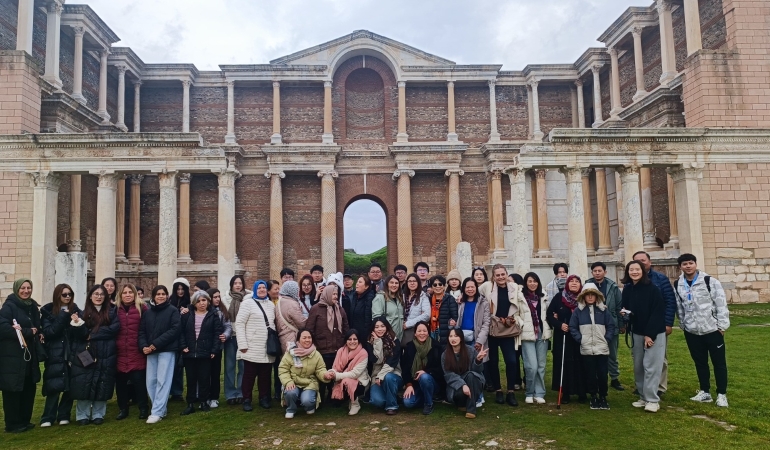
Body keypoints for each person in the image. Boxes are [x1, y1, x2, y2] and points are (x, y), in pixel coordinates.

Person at [674, 253, 730, 408]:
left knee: (719, 363)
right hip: (692, 331)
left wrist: (722, 326)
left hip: (712, 330)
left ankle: (721, 394)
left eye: (691, 263)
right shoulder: (678, 284)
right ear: (681, 267)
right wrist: (683, 324)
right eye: (685, 264)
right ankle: (705, 391)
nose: (688, 266)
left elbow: (720, 303)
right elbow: (680, 306)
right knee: (700, 363)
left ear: (695, 264)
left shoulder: (709, 281)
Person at [69, 284, 120, 425]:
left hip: (106, 351)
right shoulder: (83, 313)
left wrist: (92, 335)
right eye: (96, 294)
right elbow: (81, 336)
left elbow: (114, 329)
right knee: (85, 382)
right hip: (87, 352)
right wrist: (77, 324)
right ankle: (82, 415)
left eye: (101, 294)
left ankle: (98, 414)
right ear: (90, 296)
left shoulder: (112, 312)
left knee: (102, 382)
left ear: (106, 297)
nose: (99, 297)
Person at [621, 260, 666, 413]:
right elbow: (626, 308)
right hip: (636, 332)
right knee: (638, 366)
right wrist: (624, 314)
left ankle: (653, 400)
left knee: (651, 366)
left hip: (653, 333)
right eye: (631, 270)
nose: (634, 272)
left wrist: (650, 335)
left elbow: (657, 313)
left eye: (637, 269)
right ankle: (643, 396)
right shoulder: (627, 289)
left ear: (643, 271)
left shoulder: (653, 289)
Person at [630, 251, 676, 396]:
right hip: (638, 327)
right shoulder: (630, 282)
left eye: (643, 260)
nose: (641, 264)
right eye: (637, 261)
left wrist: (668, 323)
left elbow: (669, 301)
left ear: (649, 262)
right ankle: (643, 387)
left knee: (659, 358)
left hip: (657, 325)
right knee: (639, 358)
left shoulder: (660, 279)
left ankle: (659, 387)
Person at [0, 279, 42, 433]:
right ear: (17, 289)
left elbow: (37, 327)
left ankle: (24, 420)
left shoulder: (32, 307)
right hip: (13, 356)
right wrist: (26, 331)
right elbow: (3, 328)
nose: (26, 291)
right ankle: (12, 423)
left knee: (27, 387)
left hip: (28, 355)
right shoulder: (9, 307)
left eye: (29, 288)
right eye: (23, 288)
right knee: (13, 390)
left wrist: (39, 332)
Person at [139, 285, 181, 424]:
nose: (161, 296)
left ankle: (156, 411)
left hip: (166, 350)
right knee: (151, 381)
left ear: (167, 296)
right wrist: (144, 346)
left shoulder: (173, 311)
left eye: (163, 294)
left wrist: (155, 344)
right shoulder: (148, 313)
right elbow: (142, 331)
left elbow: (174, 330)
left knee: (163, 380)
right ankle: (160, 409)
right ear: (153, 296)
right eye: (158, 294)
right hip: (151, 351)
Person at [569, 283, 615, 410]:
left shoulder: (603, 311)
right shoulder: (578, 311)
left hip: (602, 348)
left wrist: (607, 339)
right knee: (590, 374)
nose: (590, 297)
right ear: (583, 297)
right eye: (587, 295)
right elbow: (573, 327)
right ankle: (593, 395)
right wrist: (581, 339)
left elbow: (611, 326)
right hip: (587, 348)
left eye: (592, 295)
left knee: (602, 374)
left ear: (596, 297)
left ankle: (603, 396)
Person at [39, 284, 79, 427]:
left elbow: (80, 331)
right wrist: (64, 315)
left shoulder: (76, 310)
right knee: (54, 384)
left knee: (70, 384)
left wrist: (77, 322)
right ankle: (47, 417)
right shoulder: (48, 311)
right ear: (58, 295)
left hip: (71, 351)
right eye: (64, 294)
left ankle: (64, 414)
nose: (67, 297)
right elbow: (50, 332)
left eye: (69, 294)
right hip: (55, 351)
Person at [180, 290, 223, 415]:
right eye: (198, 301)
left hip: (206, 351)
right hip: (190, 351)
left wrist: (214, 349)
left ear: (208, 301)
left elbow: (217, 333)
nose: (201, 303)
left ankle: (204, 402)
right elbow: (181, 331)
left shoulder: (213, 315)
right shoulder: (187, 314)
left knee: (204, 378)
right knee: (191, 378)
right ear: (194, 303)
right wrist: (183, 346)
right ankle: (191, 403)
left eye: (204, 300)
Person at [236, 280, 276, 411]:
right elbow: (240, 323)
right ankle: (246, 399)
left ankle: (263, 398)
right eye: (259, 288)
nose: (262, 290)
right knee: (249, 375)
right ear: (255, 289)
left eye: (264, 287)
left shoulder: (271, 305)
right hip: (252, 346)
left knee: (265, 375)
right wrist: (242, 344)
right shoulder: (247, 303)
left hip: (266, 346)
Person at [487, 264, 524, 406]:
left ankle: (510, 391)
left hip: (508, 328)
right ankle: (498, 390)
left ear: (506, 274)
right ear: (494, 277)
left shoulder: (514, 288)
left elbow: (521, 304)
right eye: (498, 275)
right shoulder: (488, 287)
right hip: (493, 329)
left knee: (511, 361)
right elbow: (474, 293)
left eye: (503, 274)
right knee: (493, 361)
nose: (501, 277)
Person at [306, 284, 349, 405]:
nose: (335, 296)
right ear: (327, 294)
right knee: (321, 375)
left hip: (337, 348)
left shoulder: (340, 309)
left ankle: (334, 397)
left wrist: (344, 343)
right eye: (333, 294)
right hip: (321, 349)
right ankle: (318, 399)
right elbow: (310, 328)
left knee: (334, 374)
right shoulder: (316, 308)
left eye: (337, 294)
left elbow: (345, 327)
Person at [546, 274, 585, 404]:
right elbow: (550, 314)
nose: (574, 283)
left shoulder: (585, 298)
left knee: (581, 362)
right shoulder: (559, 298)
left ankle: (581, 391)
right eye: (571, 281)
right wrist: (559, 324)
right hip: (563, 335)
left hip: (580, 336)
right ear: (567, 284)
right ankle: (565, 392)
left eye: (577, 281)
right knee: (564, 363)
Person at [587, 261, 624, 391]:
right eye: (595, 271)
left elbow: (619, 306)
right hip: (592, 324)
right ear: (592, 272)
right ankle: (596, 378)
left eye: (600, 271)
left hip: (610, 324)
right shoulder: (587, 285)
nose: (597, 273)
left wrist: (621, 324)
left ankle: (614, 378)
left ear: (605, 272)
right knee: (594, 353)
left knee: (612, 353)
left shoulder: (612, 286)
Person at [115, 284, 149, 421]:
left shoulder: (142, 308)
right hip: (120, 351)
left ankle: (143, 408)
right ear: (120, 295)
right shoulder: (115, 309)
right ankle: (123, 409)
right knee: (121, 384)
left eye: (130, 292)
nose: (127, 295)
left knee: (139, 383)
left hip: (137, 350)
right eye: (124, 293)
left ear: (135, 294)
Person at [278, 329, 330, 418]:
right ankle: (291, 409)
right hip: (293, 382)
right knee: (290, 392)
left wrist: (325, 375)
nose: (307, 340)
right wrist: (288, 382)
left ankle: (309, 407)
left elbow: (320, 369)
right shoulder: (291, 353)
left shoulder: (316, 354)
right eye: (304, 338)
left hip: (309, 383)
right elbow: (283, 369)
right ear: (298, 340)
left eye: (309, 337)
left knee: (307, 400)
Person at [442, 328, 488, 419]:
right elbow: (448, 375)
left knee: (471, 375)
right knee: (466, 383)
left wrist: (478, 361)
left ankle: (471, 410)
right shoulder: (445, 355)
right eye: (450, 336)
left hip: (473, 382)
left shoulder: (470, 350)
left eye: (456, 336)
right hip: (456, 388)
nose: (453, 339)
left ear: (461, 338)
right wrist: (462, 385)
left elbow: (477, 371)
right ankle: (463, 404)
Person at [520, 272, 550, 405]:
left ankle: (539, 393)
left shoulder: (543, 296)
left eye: (535, 281)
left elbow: (547, 313)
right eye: (530, 281)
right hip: (527, 333)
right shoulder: (520, 297)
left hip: (542, 334)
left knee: (541, 366)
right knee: (531, 366)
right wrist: (521, 324)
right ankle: (529, 392)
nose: (532, 284)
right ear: (526, 283)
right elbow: (516, 314)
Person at [401, 322, 442, 415]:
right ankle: (426, 397)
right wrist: (408, 385)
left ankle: (429, 404)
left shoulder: (436, 346)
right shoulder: (409, 347)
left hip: (432, 382)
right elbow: (405, 369)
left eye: (424, 331)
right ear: (415, 333)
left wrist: (426, 372)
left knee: (424, 377)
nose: (422, 333)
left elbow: (441, 369)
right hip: (415, 383)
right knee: (408, 403)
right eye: (419, 331)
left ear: (428, 332)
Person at [327, 329, 370, 415]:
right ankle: (348, 398)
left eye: (355, 339)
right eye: (349, 339)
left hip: (359, 382)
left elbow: (355, 374)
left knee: (347, 381)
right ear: (346, 341)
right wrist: (331, 372)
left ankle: (355, 404)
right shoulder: (340, 351)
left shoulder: (363, 353)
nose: (352, 341)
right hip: (341, 380)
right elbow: (335, 367)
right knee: (336, 400)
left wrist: (337, 375)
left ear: (359, 340)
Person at [222, 275, 249, 405]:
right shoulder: (225, 299)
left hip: (244, 336)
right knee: (230, 366)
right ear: (231, 285)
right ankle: (230, 394)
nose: (238, 285)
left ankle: (241, 392)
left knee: (243, 366)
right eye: (235, 283)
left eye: (240, 283)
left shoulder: (249, 299)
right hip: (231, 336)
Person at [368, 317, 403, 415]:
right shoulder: (370, 342)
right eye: (377, 327)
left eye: (382, 326)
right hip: (376, 377)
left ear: (387, 327)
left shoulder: (395, 341)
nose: (380, 329)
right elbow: (377, 360)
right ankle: (393, 397)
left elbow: (392, 362)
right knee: (377, 402)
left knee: (388, 377)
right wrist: (378, 342)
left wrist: (381, 375)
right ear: (373, 329)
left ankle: (392, 406)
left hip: (393, 374)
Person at [206, 288, 232, 408]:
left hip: (217, 346)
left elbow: (227, 326)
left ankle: (214, 397)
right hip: (204, 346)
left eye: (218, 297)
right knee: (204, 373)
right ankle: (204, 395)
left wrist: (225, 335)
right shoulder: (203, 309)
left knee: (215, 373)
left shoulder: (222, 311)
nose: (217, 299)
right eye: (215, 297)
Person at [168, 277, 191, 401]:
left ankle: (177, 392)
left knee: (179, 366)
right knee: (170, 366)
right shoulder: (169, 302)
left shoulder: (189, 303)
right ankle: (169, 391)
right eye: (178, 289)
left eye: (182, 289)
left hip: (184, 338)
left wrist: (187, 311)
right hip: (171, 338)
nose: (180, 292)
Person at [457, 278, 490, 361]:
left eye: (472, 287)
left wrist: (480, 341)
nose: (470, 289)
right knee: (461, 364)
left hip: (476, 339)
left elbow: (486, 323)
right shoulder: (460, 302)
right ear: (464, 289)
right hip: (460, 338)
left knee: (476, 364)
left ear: (476, 288)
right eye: (467, 287)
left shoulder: (483, 303)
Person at [275, 281, 308, 353]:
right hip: (292, 338)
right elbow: (302, 323)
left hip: (283, 336)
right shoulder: (292, 303)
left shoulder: (280, 301)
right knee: (295, 362)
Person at [427, 275, 458, 345]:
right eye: (435, 285)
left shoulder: (450, 299)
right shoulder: (428, 300)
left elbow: (455, 317)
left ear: (444, 286)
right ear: (432, 287)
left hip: (446, 334)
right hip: (431, 334)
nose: (438, 286)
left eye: (440, 284)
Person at [401, 273, 431, 345]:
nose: (412, 283)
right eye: (410, 281)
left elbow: (426, 315)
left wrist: (408, 324)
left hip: (414, 329)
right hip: (401, 329)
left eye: (414, 281)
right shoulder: (403, 296)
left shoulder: (423, 296)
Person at [372, 275, 404, 340]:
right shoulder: (380, 297)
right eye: (391, 283)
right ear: (387, 284)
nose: (394, 285)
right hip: (386, 335)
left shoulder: (400, 298)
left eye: (396, 283)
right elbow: (376, 318)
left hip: (399, 335)